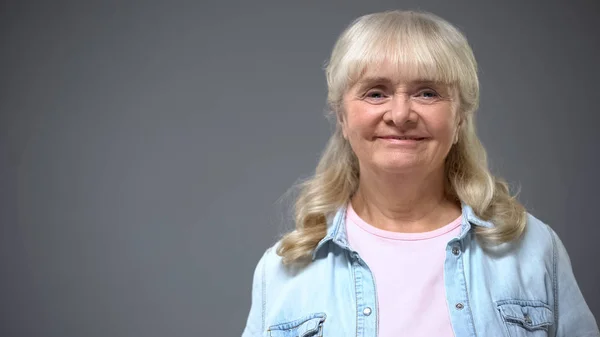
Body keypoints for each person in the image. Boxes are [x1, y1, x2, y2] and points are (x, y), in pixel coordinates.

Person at [241, 10, 599, 337]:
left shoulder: (534, 249)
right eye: (376, 93)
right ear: (342, 116)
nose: (400, 114)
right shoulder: (281, 270)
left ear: (460, 117)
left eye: (427, 93)